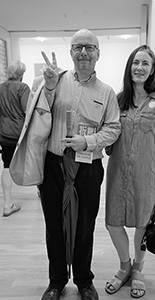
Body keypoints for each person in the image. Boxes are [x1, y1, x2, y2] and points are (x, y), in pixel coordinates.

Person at [10, 29, 121, 300]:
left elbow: (114, 128)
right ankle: (56, 281)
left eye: (89, 47)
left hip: (88, 168)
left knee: (84, 227)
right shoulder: (52, 81)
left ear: (98, 53)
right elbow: (35, 117)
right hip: (54, 165)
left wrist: (89, 141)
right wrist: (47, 89)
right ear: (71, 52)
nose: (84, 52)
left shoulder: (107, 92)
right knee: (54, 226)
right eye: (78, 47)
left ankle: (84, 281)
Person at [105, 45, 155, 298]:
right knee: (112, 222)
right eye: (136, 62)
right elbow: (109, 133)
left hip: (148, 175)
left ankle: (137, 269)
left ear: (152, 69)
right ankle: (124, 265)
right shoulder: (118, 99)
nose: (139, 67)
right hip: (117, 173)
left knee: (143, 225)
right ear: (129, 66)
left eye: (145, 63)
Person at [0, 60, 30, 217]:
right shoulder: (23, 88)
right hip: (21, 133)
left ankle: (7, 204)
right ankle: (40, 192)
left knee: (6, 165)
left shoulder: (0, 87)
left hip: (4, 133)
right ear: (21, 74)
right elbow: (28, 111)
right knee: (35, 160)